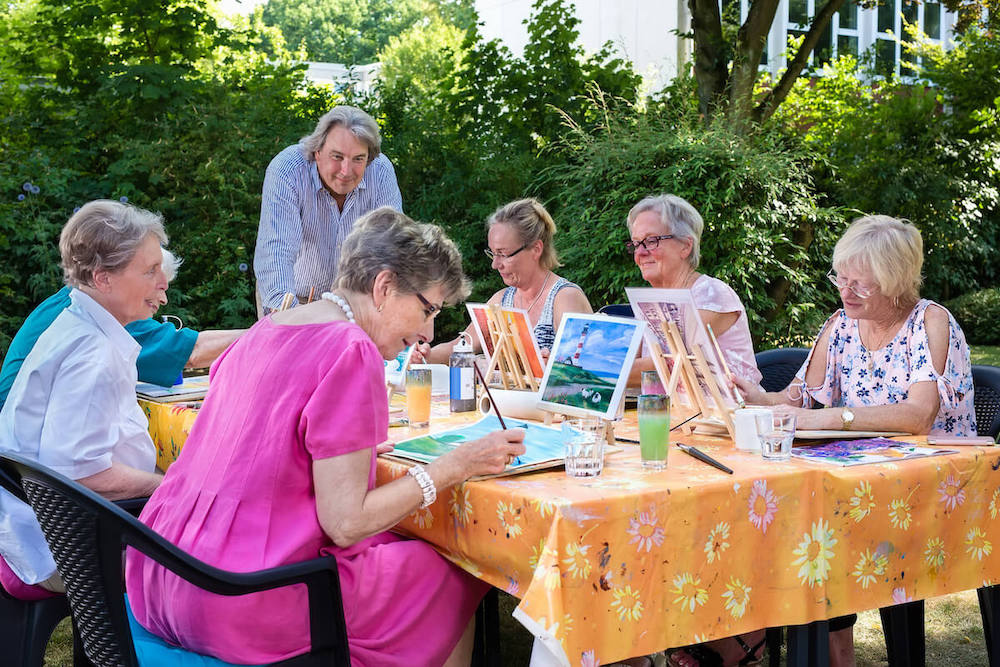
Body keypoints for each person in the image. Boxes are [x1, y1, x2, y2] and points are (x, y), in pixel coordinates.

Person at [126, 207, 525, 666]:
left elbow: (261, 437)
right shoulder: (351, 348)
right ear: (384, 286)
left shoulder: (262, 331)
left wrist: (329, 454)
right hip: (243, 596)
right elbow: (346, 523)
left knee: (396, 551)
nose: (427, 332)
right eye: (427, 308)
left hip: (166, 571)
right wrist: (452, 467)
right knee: (451, 569)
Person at [730, 215, 976, 667]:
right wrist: (755, 397)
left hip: (932, 490)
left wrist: (831, 418)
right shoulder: (841, 323)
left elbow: (919, 415)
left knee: (807, 527)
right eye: (841, 279)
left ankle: (787, 647)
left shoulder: (930, 322)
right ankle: (805, 647)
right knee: (777, 516)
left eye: (860, 285)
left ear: (895, 281)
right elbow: (799, 397)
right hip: (865, 482)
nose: (845, 292)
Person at [0, 200, 167, 600]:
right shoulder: (93, 353)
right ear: (103, 278)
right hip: (58, 547)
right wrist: (168, 485)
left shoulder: (75, 321)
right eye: (150, 271)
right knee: (219, 544)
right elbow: (83, 475)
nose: (164, 282)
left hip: (35, 524)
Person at [0, 248, 245, 410]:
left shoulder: (72, 299)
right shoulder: (106, 315)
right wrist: (267, 331)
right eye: (158, 287)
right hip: (34, 461)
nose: (163, 300)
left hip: (20, 452)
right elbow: (193, 352)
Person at [254, 105, 403, 313]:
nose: (346, 171)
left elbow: (391, 247)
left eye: (358, 159)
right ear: (317, 151)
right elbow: (276, 251)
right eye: (337, 157)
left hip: (354, 303)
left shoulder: (380, 171)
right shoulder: (287, 171)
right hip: (292, 297)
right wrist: (288, 319)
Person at [424, 198, 592, 363]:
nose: (495, 264)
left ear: (536, 249)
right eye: (492, 253)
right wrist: (423, 355)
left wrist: (554, 365)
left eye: (503, 254)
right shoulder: (501, 300)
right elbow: (459, 347)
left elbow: (582, 368)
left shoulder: (565, 297)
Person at [626, 194, 761, 387]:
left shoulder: (712, 294)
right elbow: (633, 364)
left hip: (732, 413)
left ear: (686, 246)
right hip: (676, 415)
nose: (640, 253)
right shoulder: (651, 305)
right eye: (636, 243)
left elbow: (667, 363)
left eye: (651, 241)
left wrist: (586, 371)